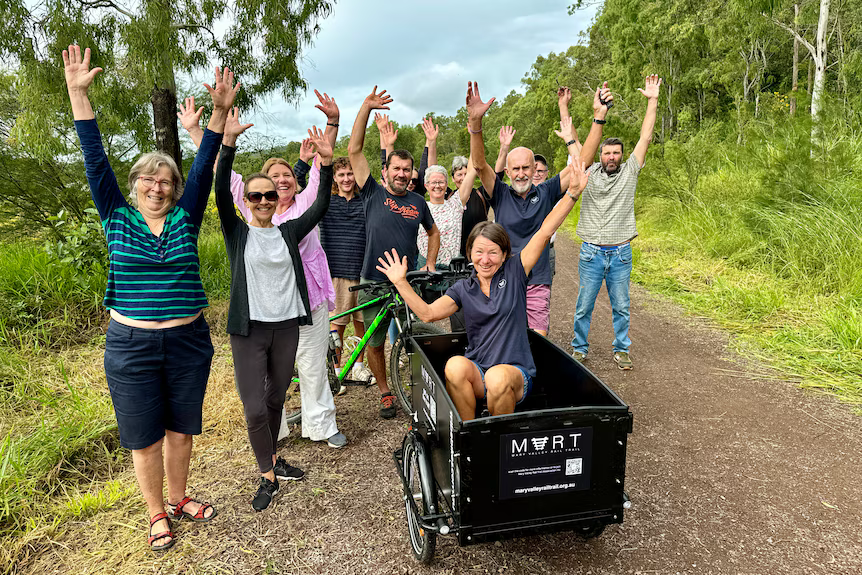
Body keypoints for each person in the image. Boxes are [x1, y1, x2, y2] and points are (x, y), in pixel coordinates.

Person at [64, 45, 235, 551]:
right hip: (131, 346)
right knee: (146, 437)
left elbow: (204, 165)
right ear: (135, 185)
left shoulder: (186, 217)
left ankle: (180, 499)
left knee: (182, 430)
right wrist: (78, 94)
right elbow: (95, 159)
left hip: (188, 342)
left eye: (166, 181)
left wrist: (219, 112)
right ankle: (156, 513)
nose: (157, 187)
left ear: (176, 189)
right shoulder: (116, 216)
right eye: (148, 179)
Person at [179, 91, 347, 449]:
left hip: (308, 298)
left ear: (295, 180)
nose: (280, 181)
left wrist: (332, 123)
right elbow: (222, 175)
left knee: (313, 364)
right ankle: (275, 431)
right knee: (272, 374)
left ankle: (320, 424)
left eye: (286, 175)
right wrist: (196, 131)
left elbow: (324, 166)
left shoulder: (303, 205)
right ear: (256, 192)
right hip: (266, 306)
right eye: (272, 178)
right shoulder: (252, 210)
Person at [376, 144, 591, 422]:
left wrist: (572, 194)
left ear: (504, 254)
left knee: (498, 376)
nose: (485, 259)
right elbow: (427, 314)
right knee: (455, 366)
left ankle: (497, 437)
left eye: (493, 253)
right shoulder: (464, 288)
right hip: (480, 372)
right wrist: (400, 282)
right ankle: (470, 430)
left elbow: (545, 230)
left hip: (515, 375)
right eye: (479, 252)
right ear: (469, 254)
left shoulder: (516, 271)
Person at [215, 121, 333, 511]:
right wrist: (227, 143)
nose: (265, 200)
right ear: (247, 200)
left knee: (276, 398)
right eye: (256, 195)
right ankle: (267, 475)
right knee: (253, 407)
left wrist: (326, 163)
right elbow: (220, 189)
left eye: (269, 194)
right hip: (249, 330)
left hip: (286, 327)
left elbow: (320, 205)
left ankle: (273, 460)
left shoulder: (288, 231)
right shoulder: (237, 232)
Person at [469, 81, 612, 337]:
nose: (521, 173)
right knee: (504, 337)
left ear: (535, 169)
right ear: (508, 171)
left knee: (537, 340)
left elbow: (583, 162)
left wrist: (598, 118)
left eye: (526, 168)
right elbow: (480, 165)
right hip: (503, 278)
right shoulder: (499, 192)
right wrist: (475, 124)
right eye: (516, 169)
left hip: (537, 279)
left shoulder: (546, 191)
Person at [347, 85, 440, 419]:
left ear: (412, 172)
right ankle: (385, 392)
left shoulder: (418, 202)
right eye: (396, 168)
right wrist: (366, 107)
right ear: (385, 170)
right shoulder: (372, 192)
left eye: (406, 169)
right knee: (375, 342)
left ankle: (422, 387)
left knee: (415, 334)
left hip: (407, 281)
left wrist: (430, 263)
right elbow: (354, 149)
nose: (401, 174)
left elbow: (433, 232)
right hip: (373, 281)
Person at [571, 76, 662, 370]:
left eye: (616, 153)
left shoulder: (630, 171)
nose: (612, 157)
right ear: (600, 155)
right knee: (584, 305)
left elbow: (645, 137)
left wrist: (652, 100)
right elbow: (578, 146)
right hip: (591, 253)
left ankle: (621, 349)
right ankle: (579, 348)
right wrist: (572, 110)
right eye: (607, 153)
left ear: (622, 155)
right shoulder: (588, 171)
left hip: (621, 253)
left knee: (621, 306)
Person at [319, 156, 372, 379]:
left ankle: (358, 367)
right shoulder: (326, 203)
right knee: (337, 326)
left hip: (363, 271)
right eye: (341, 174)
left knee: (362, 324)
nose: (347, 178)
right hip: (336, 272)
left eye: (350, 173)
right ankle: (336, 371)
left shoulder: (365, 202)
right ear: (334, 178)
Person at [417, 165, 464, 269]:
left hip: (451, 267)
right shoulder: (420, 207)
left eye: (441, 182)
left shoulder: (455, 204)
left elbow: (472, 171)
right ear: (426, 185)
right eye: (433, 182)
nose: (437, 186)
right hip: (425, 265)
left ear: (446, 185)